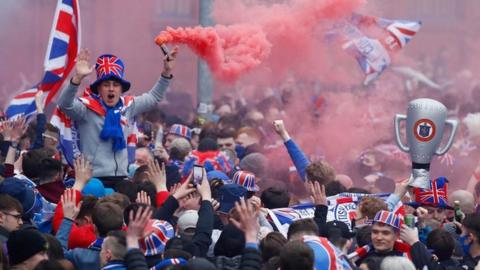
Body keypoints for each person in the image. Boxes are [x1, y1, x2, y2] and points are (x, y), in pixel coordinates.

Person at [57, 47, 178, 187]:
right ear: (99, 89)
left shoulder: (129, 106)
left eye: (115, 85)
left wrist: (166, 72)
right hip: (93, 180)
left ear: (121, 89)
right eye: (106, 85)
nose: (111, 89)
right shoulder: (86, 108)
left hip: (121, 178)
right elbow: (64, 104)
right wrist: (77, 78)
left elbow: (154, 97)